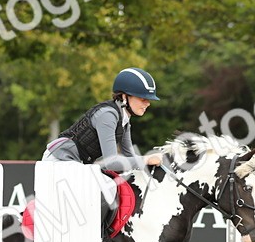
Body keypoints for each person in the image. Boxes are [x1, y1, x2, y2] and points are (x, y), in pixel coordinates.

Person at [42, 67, 164, 210]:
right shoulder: (108, 116)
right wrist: (146, 159)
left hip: (76, 164)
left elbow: (129, 157)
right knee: (105, 189)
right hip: (58, 160)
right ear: (124, 97)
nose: (148, 103)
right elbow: (111, 163)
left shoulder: (124, 120)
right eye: (143, 98)